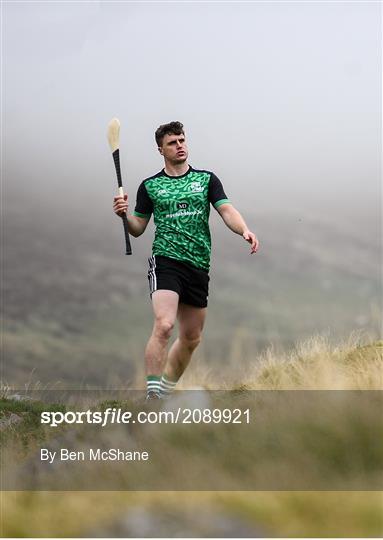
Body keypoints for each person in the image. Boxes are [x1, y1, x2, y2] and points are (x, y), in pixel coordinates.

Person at [113, 121, 259, 399]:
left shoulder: (206, 179)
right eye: (172, 142)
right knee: (165, 325)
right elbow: (138, 228)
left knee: (192, 337)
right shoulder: (150, 186)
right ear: (161, 149)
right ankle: (153, 395)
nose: (179, 146)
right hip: (166, 260)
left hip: (198, 264)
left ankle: (166, 390)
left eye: (182, 140)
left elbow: (226, 210)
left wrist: (245, 230)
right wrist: (124, 216)